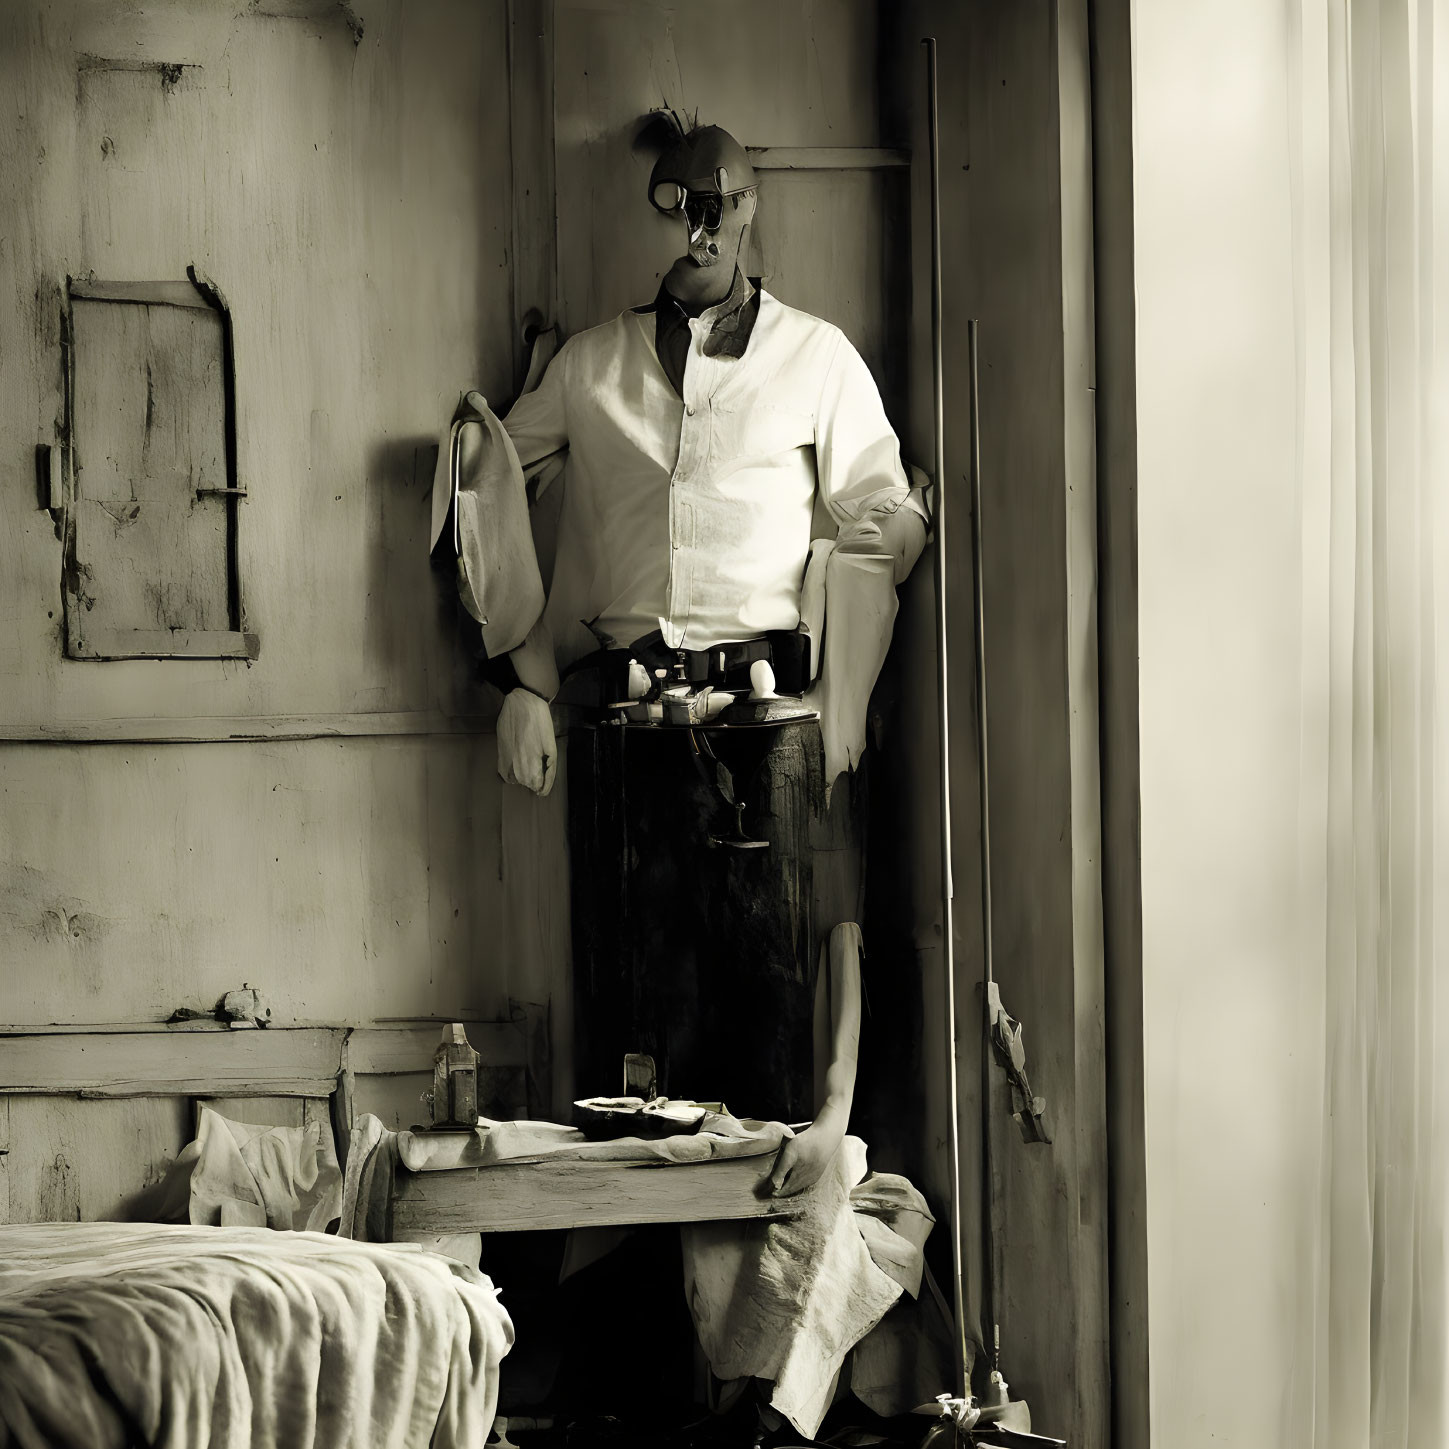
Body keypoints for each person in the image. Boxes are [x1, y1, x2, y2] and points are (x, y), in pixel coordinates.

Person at [445, 119, 933, 1440]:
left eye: (721, 211)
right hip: (625, 733)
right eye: (679, 212)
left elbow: (883, 515)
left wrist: (843, 691)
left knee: (766, 1024)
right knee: (630, 1035)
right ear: (655, 217)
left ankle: (758, 1373)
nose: (700, 234)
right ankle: (634, 1376)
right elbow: (481, 474)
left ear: (752, 213)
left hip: (764, 735)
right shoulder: (591, 367)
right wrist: (519, 683)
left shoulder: (812, 360)